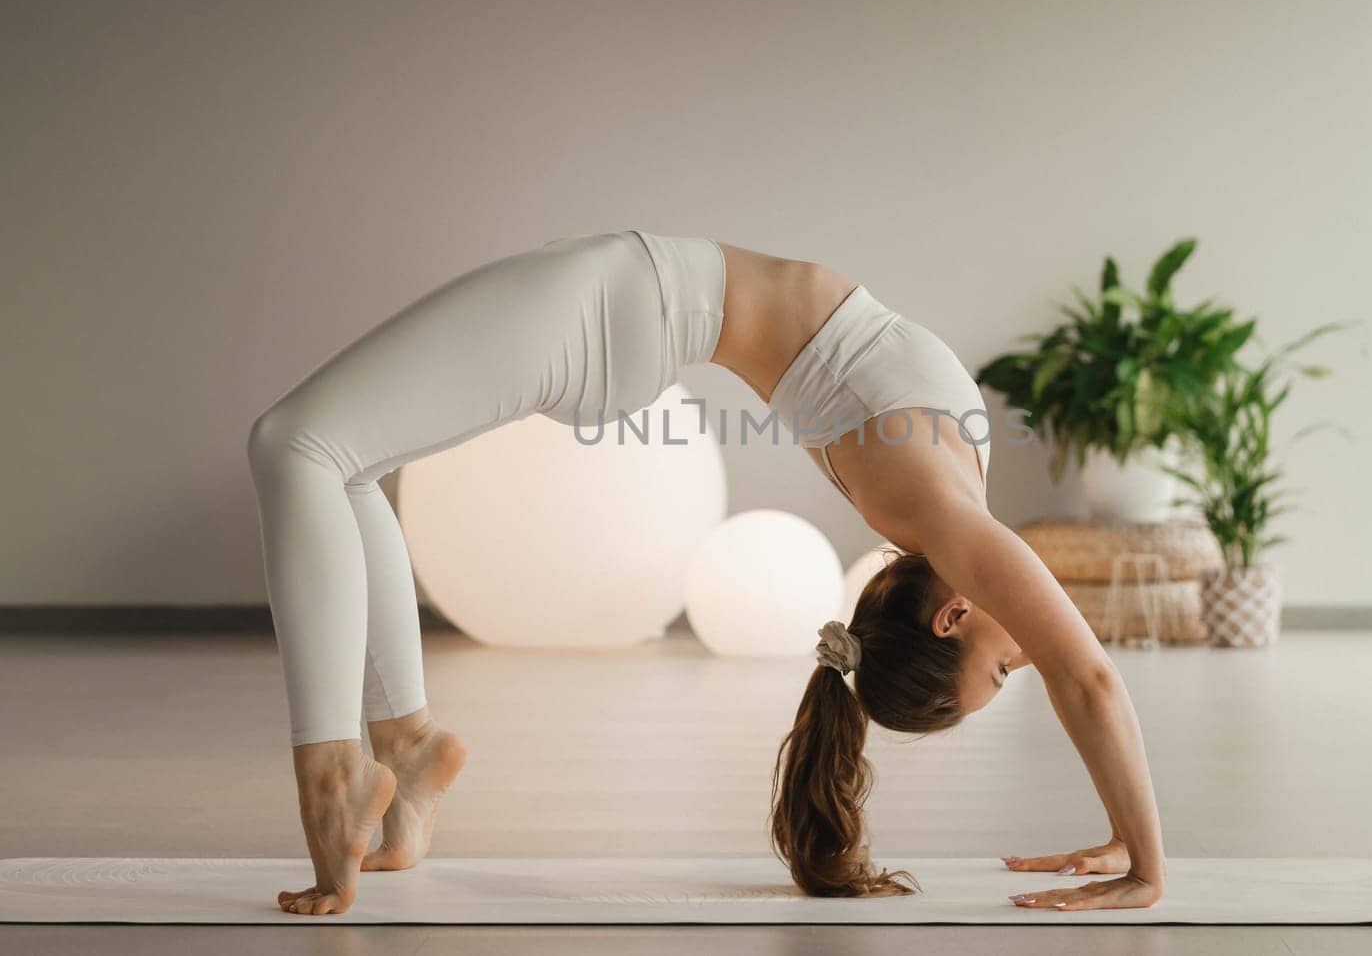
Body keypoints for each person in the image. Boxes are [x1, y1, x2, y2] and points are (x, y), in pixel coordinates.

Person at [247, 230, 1164, 916]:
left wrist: (1147, 868)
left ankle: (332, 771)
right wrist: (1133, 841)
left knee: (297, 445)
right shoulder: (948, 503)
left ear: (953, 614)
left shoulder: (945, 516)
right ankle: (404, 745)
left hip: (620, 303)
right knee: (343, 460)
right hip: (630, 308)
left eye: (1003, 670)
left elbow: (1088, 677)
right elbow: (1084, 672)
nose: (1028, 656)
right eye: (1005, 677)